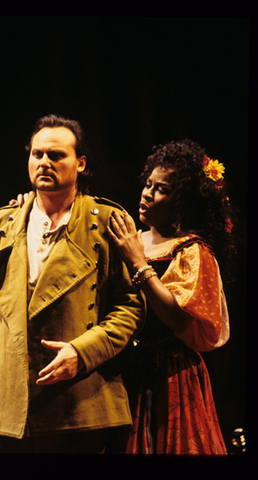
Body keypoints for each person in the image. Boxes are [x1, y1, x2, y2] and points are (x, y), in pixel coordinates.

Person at [0, 114, 145, 454]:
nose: (44, 162)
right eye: (37, 154)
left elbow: (130, 307)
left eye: (56, 155)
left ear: (80, 163)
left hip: (80, 405)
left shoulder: (105, 222)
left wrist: (81, 352)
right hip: (3, 406)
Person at [106, 139, 236, 454]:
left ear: (182, 202)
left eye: (161, 189)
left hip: (170, 375)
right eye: (148, 184)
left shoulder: (191, 250)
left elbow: (177, 317)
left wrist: (139, 264)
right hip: (124, 370)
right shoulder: (132, 239)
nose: (147, 194)